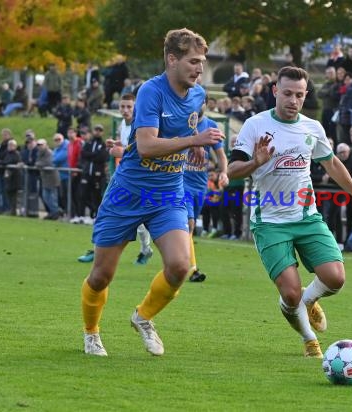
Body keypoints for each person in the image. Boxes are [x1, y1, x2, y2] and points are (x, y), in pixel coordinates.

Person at [81, 28, 224, 357]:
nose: (199, 69)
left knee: (180, 266)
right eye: (193, 61)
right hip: (127, 193)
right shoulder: (151, 91)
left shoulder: (198, 94)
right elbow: (145, 145)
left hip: (169, 194)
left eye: (202, 62)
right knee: (102, 276)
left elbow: (199, 130)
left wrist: (207, 150)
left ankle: (143, 318)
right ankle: (91, 332)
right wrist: (193, 142)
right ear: (172, 60)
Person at [227, 66, 352, 358]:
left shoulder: (312, 127)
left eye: (299, 94)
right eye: (287, 93)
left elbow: (331, 163)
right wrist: (255, 162)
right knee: (290, 293)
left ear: (305, 94)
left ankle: (309, 302)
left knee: (335, 278)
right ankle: (309, 339)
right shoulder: (254, 125)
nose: (293, 100)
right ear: (275, 92)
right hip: (270, 222)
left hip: (306, 217)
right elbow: (232, 169)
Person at [78, 94, 155, 265]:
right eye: (122, 107)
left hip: (140, 179)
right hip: (124, 177)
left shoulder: (142, 124)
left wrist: (121, 152)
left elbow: (143, 150)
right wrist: (117, 142)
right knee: (104, 210)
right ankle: (97, 248)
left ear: (136, 107)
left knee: (140, 221)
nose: (125, 110)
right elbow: (129, 143)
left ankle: (146, 250)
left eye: (129, 107)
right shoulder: (124, 124)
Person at [183, 104, 228, 282]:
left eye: (200, 101)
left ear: (206, 104)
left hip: (200, 184)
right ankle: (192, 269)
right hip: (181, 181)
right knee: (189, 223)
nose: (197, 105)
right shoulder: (182, 122)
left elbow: (221, 155)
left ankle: (178, 260)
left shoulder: (211, 126)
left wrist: (223, 172)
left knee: (190, 227)